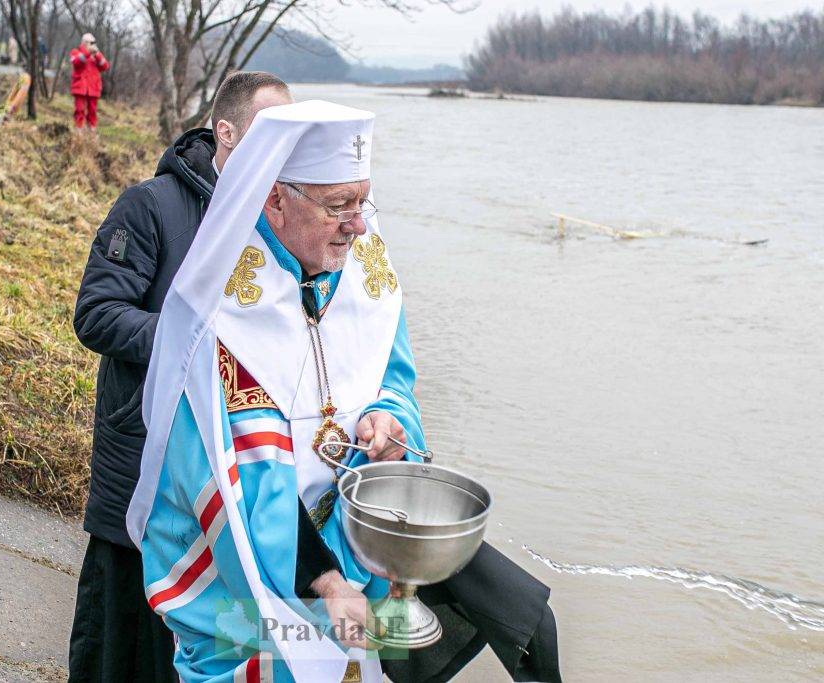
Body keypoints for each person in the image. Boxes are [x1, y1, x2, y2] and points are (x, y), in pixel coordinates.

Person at [126, 100, 563, 682]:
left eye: (363, 201)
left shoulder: (366, 281)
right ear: (275, 198)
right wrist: (324, 580)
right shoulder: (221, 313)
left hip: (354, 553)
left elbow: (396, 380)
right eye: (338, 206)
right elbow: (228, 480)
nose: (358, 225)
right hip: (240, 575)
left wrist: (388, 422)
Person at [68, 71, 294, 682]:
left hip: (230, 468)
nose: (285, 148)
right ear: (226, 132)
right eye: (271, 132)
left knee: (201, 636)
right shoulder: (150, 206)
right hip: (143, 448)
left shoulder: (276, 218)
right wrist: (191, 348)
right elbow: (96, 314)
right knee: (118, 635)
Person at [69, 33, 109, 131]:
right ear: (84, 42)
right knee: (79, 110)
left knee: (92, 111)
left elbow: (105, 66)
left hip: (93, 88)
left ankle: (91, 132)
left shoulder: (96, 55)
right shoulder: (76, 52)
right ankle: (78, 131)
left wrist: (97, 55)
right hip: (80, 87)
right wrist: (88, 53)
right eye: (91, 42)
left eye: (93, 43)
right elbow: (76, 62)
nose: (92, 45)